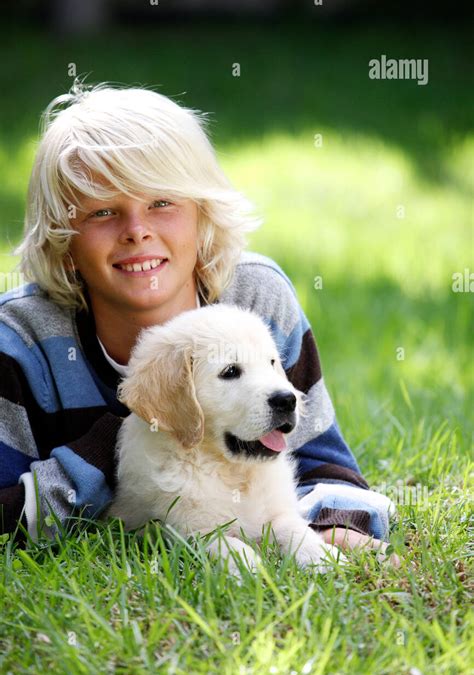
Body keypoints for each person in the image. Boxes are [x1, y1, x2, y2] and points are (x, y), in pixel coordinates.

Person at [0, 82, 397, 563]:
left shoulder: (256, 299)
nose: (137, 231)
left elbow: (321, 461)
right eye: (103, 211)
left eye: (162, 203)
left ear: (202, 216)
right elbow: (8, 519)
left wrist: (333, 525)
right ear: (63, 244)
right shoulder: (21, 340)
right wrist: (122, 439)